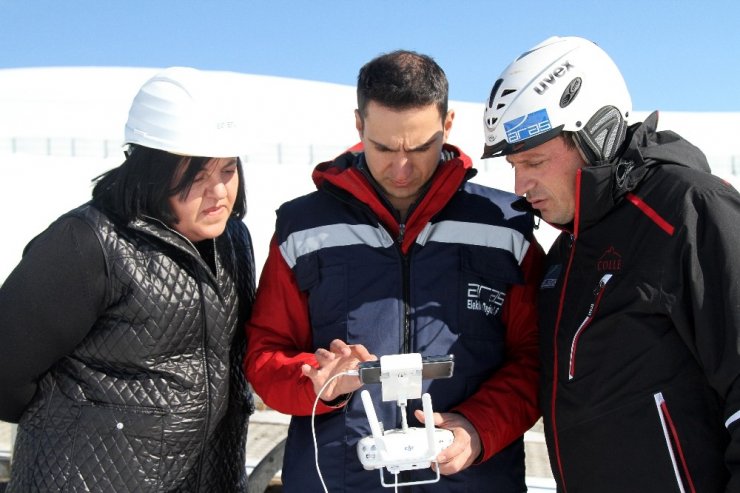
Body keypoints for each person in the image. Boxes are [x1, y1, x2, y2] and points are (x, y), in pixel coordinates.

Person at [245, 50, 544, 492]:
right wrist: (317, 382)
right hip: (336, 480)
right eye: (383, 147)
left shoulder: (502, 226)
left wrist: (480, 427)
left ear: (447, 125)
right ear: (359, 125)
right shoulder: (302, 229)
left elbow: (538, 359)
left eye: (420, 147)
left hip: (473, 480)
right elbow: (265, 354)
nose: (401, 168)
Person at [481, 35, 740, 492]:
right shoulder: (564, 257)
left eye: (535, 161)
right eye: (514, 165)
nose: (521, 184)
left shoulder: (687, 211)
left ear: (596, 136)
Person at [0, 67, 256, 492]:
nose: (219, 193)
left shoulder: (233, 238)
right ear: (153, 169)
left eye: (227, 171)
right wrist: (86, 425)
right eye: (197, 176)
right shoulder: (85, 243)